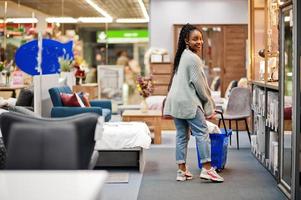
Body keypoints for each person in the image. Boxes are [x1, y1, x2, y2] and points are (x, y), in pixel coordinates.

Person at [163, 24, 224, 182]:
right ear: (186, 41)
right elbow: (201, 86)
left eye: (201, 39)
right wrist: (210, 104)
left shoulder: (182, 56)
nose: (199, 42)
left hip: (175, 102)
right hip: (188, 102)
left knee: (182, 135)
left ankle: (181, 171)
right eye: (195, 39)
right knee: (202, 133)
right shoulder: (193, 58)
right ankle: (207, 169)